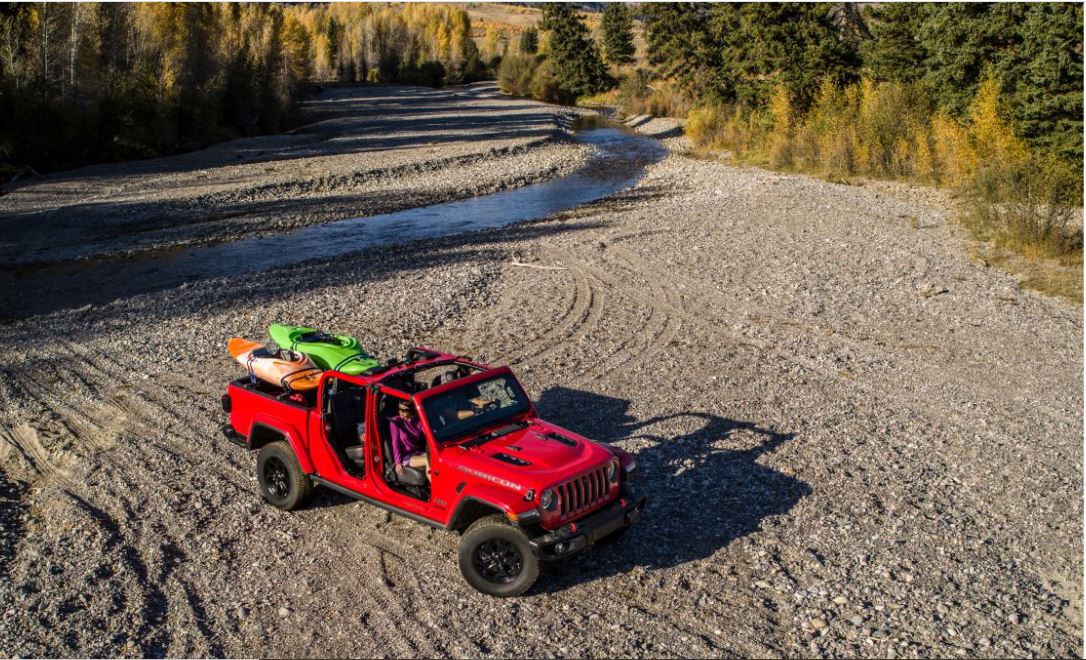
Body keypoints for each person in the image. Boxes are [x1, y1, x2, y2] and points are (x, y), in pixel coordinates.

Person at [389, 399, 429, 480]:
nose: (400, 412)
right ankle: (435, 490)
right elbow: (395, 443)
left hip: (417, 452)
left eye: (404, 410)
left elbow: (427, 434)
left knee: (435, 459)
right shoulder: (395, 422)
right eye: (399, 409)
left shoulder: (418, 420)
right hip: (406, 457)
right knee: (428, 460)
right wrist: (398, 462)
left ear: (411, 410)